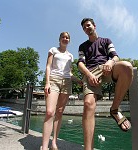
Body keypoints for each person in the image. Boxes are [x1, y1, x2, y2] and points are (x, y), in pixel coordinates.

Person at [77, 18, 133, 150]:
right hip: (91, 72)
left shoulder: (106, 40)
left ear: (94, 26)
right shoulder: (82, 46)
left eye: (88, 25)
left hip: (106, 68)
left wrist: (110, 62)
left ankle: (114, 109)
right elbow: (80, 63)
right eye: (84, 27)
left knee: (127, 67)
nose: (87, 28)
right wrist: (89, 75)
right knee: (88, 104)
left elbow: (115, 56)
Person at [41, 32, 81, 150]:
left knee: (59, 112)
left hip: (67, 82)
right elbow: (48, 66)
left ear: (69, 40)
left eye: (67, 37)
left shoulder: (70, 56)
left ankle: (54, 142)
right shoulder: (53, 50)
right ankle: (44, 147)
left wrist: (78, 80)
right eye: (63, 37)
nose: (65, 39)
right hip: (53, 80)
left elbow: (69, 72)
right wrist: (47, 82)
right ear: (59, 39)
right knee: (49, 112)